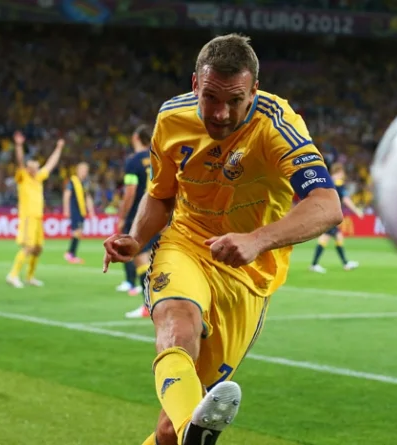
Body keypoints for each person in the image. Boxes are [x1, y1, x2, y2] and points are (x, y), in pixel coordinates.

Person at [101, 34, 343, 445]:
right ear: (195, 83)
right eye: (211, 97)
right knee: (178, 321)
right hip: (185, 244)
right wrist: (137, 238)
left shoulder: (277, 125)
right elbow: (160, 194)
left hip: (247, 272)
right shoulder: (172, 119)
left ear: (254, 91)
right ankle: (194, 433)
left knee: (169, 430)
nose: (221, 113)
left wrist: (257, 240)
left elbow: (327, 204)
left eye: (235, 100)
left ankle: (187, 433)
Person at [6, 131, 64, 288]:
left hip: (38, 217)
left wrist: (58, 148)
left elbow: (50, 164)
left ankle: (30, 276)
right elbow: (20, 161)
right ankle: (12, 275)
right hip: (28, 217)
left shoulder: (38, 177)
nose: (38, 170)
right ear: (29, 169)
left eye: (38, 167)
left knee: (38, 249)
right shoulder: (23, 177)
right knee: (28, 247)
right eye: (35, 168)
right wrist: (19, 145)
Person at [115, 124, 161, 318]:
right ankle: (159, 301)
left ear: (135, 137)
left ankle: (148, 305)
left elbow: (130, 191)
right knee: (152, 258)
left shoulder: (133, 162)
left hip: (138, 215)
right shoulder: (157, 157)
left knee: (140, 258)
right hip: (158, 212)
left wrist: (122, 216)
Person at [310, 162, 363, 273]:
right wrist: (356, 210)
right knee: (326, 238)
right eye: (342, 173)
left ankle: (345, 263)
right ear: (340, 172)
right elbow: (345, 199)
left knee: (337, 237)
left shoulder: (327, 181)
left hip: (326, 213)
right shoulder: (338, 183)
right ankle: (315, 265)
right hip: (331, 215)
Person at [63, 162, 95, 264]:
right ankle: (70, 254)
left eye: (86, 170)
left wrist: (91, 210)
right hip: (74, 210)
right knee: (77, 231)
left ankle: (71, 253)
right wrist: (66, 209)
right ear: (77, 170)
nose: (84, 172)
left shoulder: (85, 182)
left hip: (82, 211)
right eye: (82, 170)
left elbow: (88, 197)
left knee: (79, 232)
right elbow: (67, 194)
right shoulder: (73, 181)